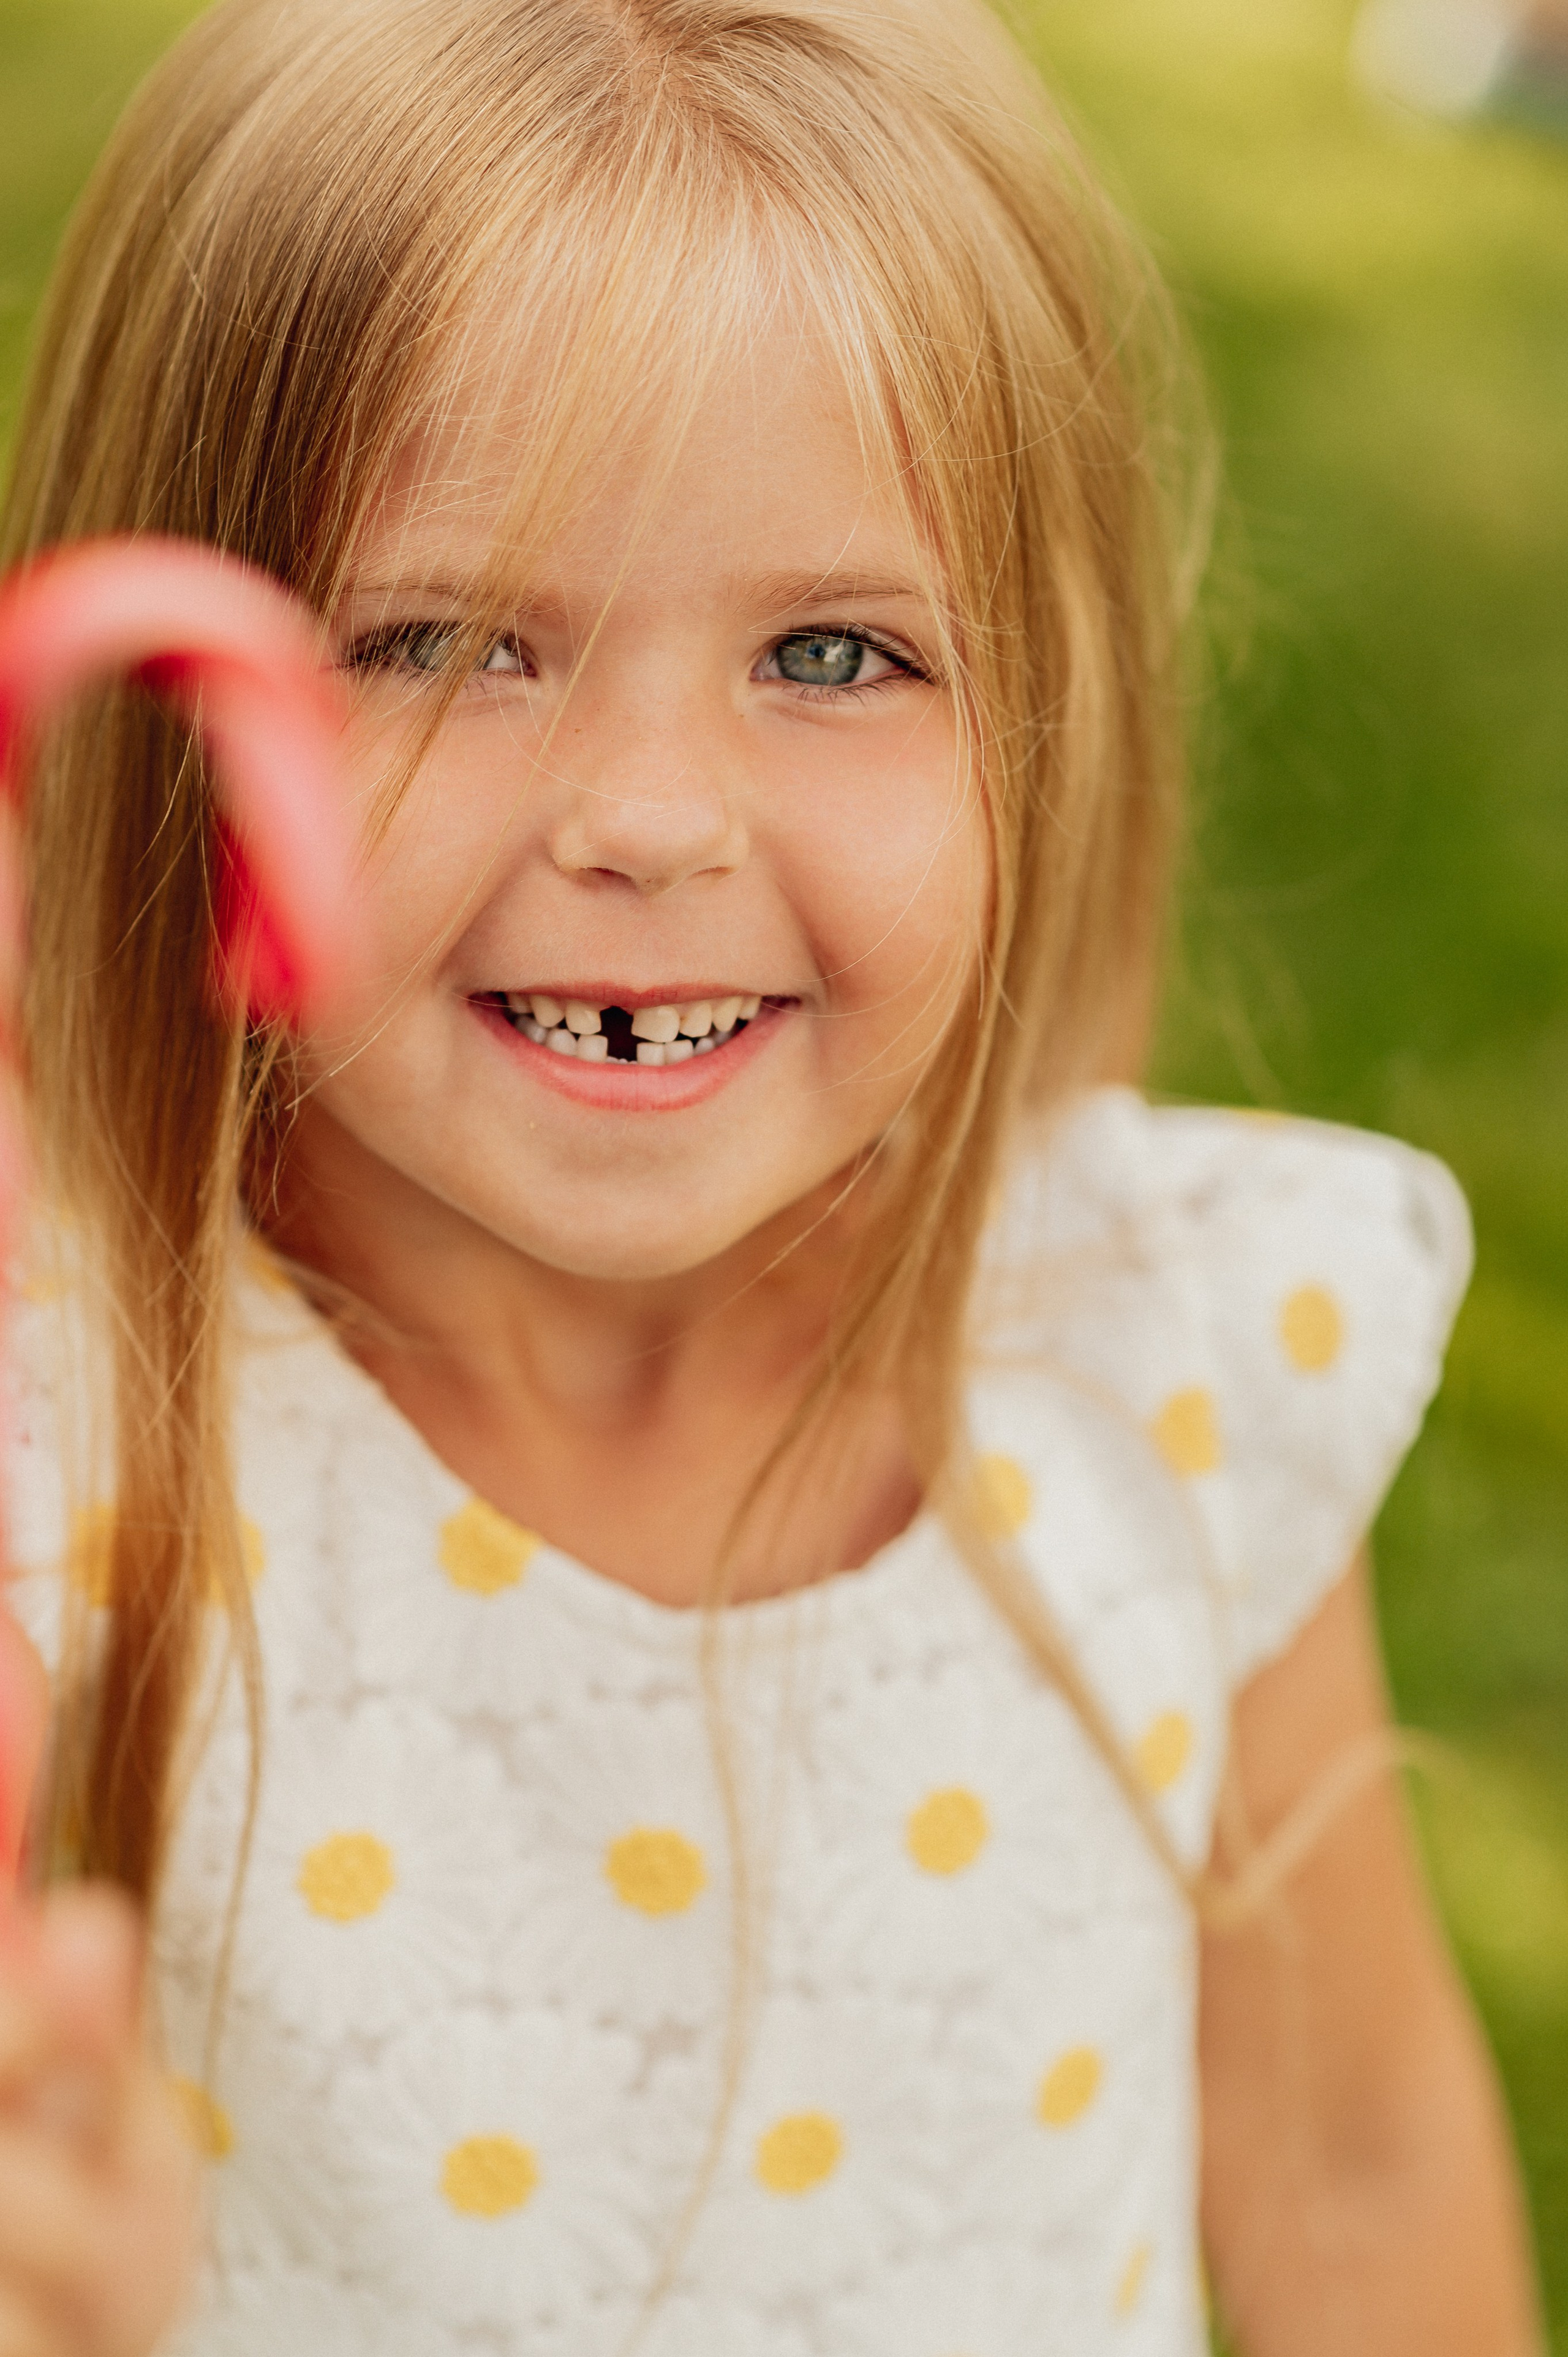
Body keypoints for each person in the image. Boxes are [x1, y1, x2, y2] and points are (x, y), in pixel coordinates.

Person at [0, 0, 1545, 2350]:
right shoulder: (77, 1445)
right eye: (443, 639)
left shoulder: (1164, 1358)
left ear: (1050, 714)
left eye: (833, 650)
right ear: (200, 733)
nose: (648, 817)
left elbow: (1349, 2176)